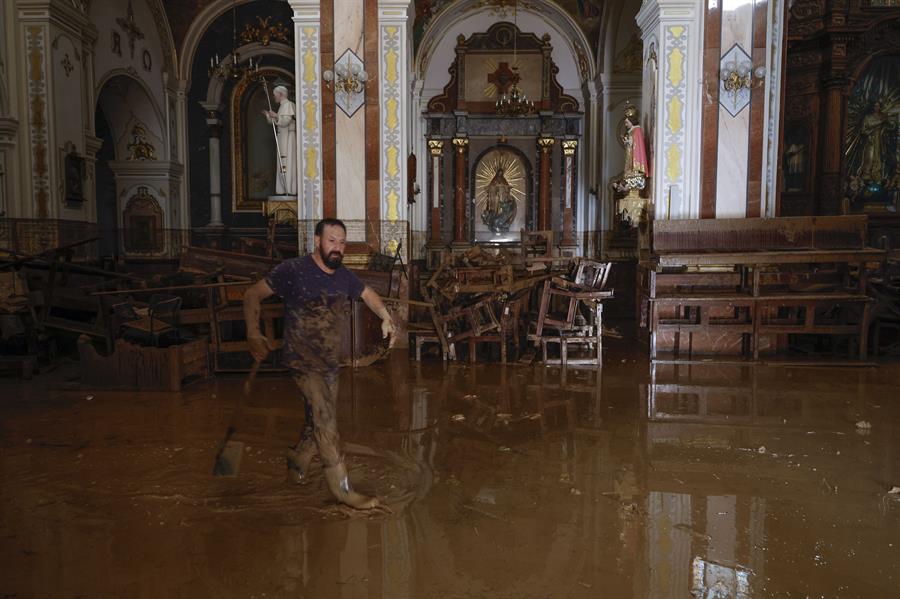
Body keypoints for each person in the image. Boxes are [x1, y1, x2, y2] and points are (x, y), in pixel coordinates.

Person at [242, 218, 395, 510]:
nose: (337, 248)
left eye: (341, 242)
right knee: (326, 420)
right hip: (302, 360)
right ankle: (343, 490)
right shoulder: (294, 270)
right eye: (331, 241)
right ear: (316, 241)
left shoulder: (343, 276)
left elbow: (368, 294)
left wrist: (385, 315)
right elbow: (253, 294)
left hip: (329, 365)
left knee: (317, 423)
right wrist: (252, 331)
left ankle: (297, 458)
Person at [261, 85, 297, 196]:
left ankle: (289, 188)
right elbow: (275, 122)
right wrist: (269, 115)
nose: (274, 97)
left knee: (287, 162)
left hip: (288, 138)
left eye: (275, 95)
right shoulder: (282, 106)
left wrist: (276, 116)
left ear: (281, 95)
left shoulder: (289, 105)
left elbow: (286, 121)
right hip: (282, 137)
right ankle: (283, 188)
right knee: (282, 163)